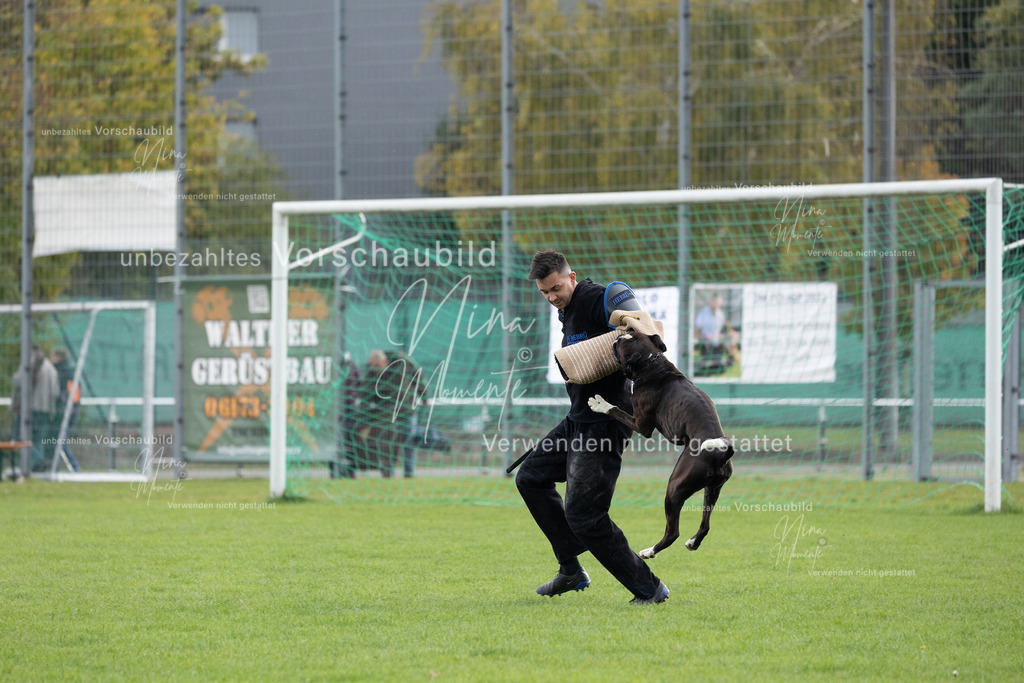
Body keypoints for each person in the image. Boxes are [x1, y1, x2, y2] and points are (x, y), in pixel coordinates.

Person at [515, 250, 669, 605]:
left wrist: (628, 322)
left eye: (556, 288)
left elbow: (641, 328)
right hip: (578, 419)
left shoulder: (597, 296)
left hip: (606, 422)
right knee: (531, 478)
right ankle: (571, 569)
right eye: (544, 293)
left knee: (585, 515)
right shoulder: (566, 309)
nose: (552, 297)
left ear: (571, 277)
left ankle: (650, 590)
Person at [11, 345, 61, 472]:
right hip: (45, 409)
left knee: (20, 437)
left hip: (29, 408)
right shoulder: (51, 368)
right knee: (39, 439)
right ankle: (37, 465)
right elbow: (56, 392)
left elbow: (19, 382)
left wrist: (15, 377)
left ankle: (38, 460)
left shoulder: (28, 365)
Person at [51, 348, 82, 472]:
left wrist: (66, 410)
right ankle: (55, 467)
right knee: (57, 441)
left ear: (58, 357)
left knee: (60, 442)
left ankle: (75, 467)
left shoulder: (65, 373)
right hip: (65, 412)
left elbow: (74, 397)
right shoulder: (64, 371)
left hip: (64, 413)